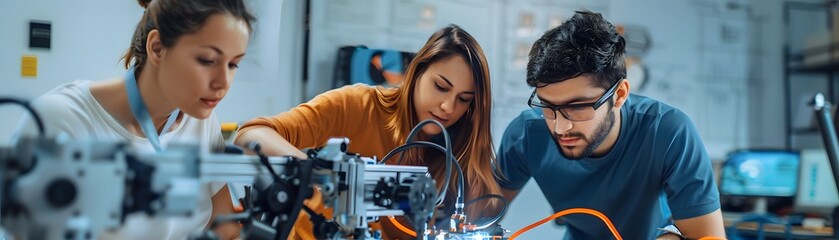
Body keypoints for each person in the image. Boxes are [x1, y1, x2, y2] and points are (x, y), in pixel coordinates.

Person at [11, 0, 255, 239]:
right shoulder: (61, 120)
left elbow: (225, 228)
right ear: (157, 47)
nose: (223, 83)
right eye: (207, 60)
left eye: (233, 64)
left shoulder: (201, 121)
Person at [234, 24, 503, 239]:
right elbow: (250, 135)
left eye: (464, 99)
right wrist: (321, 176)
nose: (448, 107)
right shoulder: (358, 105)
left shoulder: (461, 154)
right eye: (441, 87)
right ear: (416, 72)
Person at [496, 11, 725, 239]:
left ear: (620, 94)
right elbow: (477, 217)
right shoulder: (526, 134)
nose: (559, 128)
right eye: (547, 106)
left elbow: (707, 236)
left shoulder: (669, 132)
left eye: (577, 107)